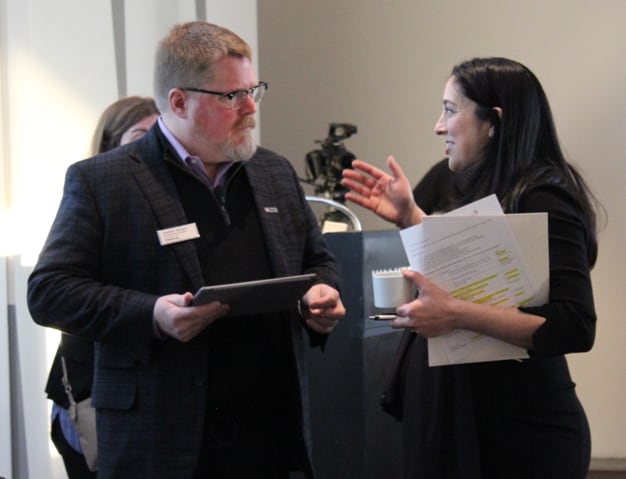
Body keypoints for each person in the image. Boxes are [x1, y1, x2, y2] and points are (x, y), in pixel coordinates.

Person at [28, 21, 345, 479]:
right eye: (232, 96)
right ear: (179, 102)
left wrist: (320, 294)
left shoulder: (273, 171)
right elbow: (49, 291)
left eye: (253, 90)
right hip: (161, 439)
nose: (250, 108)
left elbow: (318, 261)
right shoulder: (103, 181)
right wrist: (152, 315)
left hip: (270, 433)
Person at [341, 57, 600, 479]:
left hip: (522, 436)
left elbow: (574, 326)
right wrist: (410, 218)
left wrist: (455, 315)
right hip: (467, 418)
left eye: (449, 110)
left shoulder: (544, 197)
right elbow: (474, 274)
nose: (438, 127)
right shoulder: (461, 182)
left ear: (493, 122)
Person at [45, 95, 159, 478]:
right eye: (141, 136)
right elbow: (54, 294)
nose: (154, 148)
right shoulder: (91, 197)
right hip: (93, 390)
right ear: (110, 145)